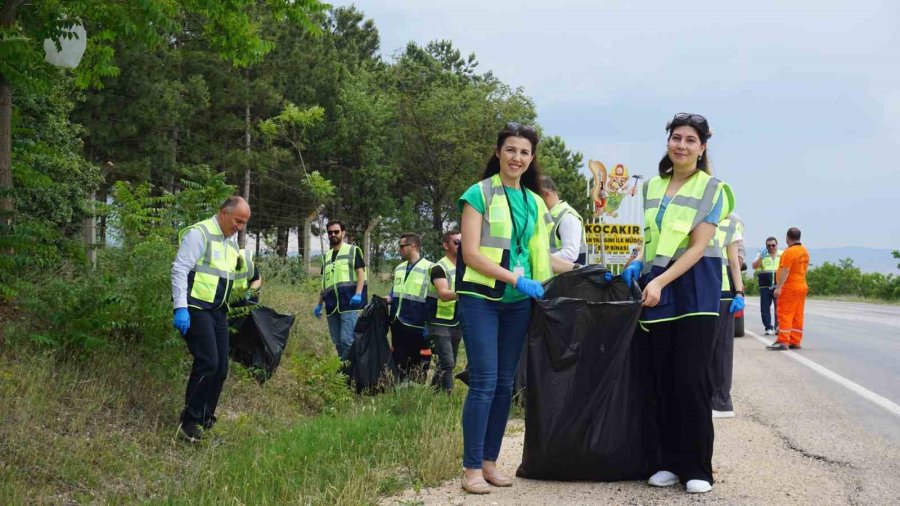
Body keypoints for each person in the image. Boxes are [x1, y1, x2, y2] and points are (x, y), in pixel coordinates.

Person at [623, 113, 733, 494]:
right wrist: (638, 261)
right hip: (657, 287)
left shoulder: (713, 188)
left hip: (695, 290)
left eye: (690, 140)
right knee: (660, 377)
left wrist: (659, 281)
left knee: (690, 380)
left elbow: (699, 245)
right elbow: (649, 236)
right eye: (676, 138)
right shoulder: (652, 186)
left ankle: (697, 467)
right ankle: (667, 462)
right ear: (668, 142)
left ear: (702, 148)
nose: (681, 145)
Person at [456, 122, 553, 494]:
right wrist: (516, 280)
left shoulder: (533, 202)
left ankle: (490, 463)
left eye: (525, 152)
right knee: (482, 383)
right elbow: (471, 254)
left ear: (532, 159)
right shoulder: (478, 194)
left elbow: (540, 257)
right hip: (481, 299)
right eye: (511, 150)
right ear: (498, 153)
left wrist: (589, 272)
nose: (517, 157)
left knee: (503, 386)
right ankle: (470, 470)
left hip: (517, 305)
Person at [171, 196, 251, 443]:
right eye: (238, 220)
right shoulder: (200, 234)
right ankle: (189, 422)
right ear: (224, 213)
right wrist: (180, 307)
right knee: (207, 362)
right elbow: (180, 269)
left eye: (244, 223)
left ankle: (205, 420)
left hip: (218, 311)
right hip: (196, 308)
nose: (240, 227)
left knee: (221, 369)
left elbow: (228, 276)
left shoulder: (230, 242)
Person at [314, 220, 367, 360]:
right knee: (337, 341)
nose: (333, 234)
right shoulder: (326, 257)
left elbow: (361, 273)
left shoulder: (352, 250)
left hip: (349, 303)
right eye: (330, 232)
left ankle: (350, 373)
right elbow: (324, 282)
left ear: (343, 233)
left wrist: (358, 294)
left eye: (336, 232)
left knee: (347, 340)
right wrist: (319, 304)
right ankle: (343, 370)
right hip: (331, 305)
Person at [386, 232, 433, 383]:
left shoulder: (430, 268)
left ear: (413, 246)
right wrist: (383, 300)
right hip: (398, 323)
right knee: (399, 359)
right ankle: (399, 387)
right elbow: (394, 292)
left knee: (417, 361)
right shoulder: (399, 268)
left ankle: (415, 390)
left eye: (401, 246)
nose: (399, 249)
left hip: (417, 325)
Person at [711, 212, 745, 418]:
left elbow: (735, 262)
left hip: (721, 292)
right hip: (704, 291)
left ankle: (722, 402)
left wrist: (739, 292)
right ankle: (712, 399)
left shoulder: (732, 221)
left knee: (721, 349)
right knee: (709, 349)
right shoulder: (697, 214)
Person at [426, 229, 464, 393]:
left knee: (449, 362)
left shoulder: (466, 266)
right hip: (439, 320)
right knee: (447, 362)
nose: (460, 246)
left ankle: (434, 393)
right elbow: (443, 294)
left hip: (457, 320)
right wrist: (466, 294)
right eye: (456, 242)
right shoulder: (438, 268)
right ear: (445, 245)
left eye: (462, 242)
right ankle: (447, 395)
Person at [767, 227, 810, 350]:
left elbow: (785, 270)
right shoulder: (804, 251)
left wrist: (778, 287)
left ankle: (783, 341)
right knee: (797, 314)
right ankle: (795, 340)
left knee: (785, 313)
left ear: (787, 238)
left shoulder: (789, 252)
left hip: (790, 287)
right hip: (801, 285)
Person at [540, 175, 587, 273]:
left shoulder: (567, 217)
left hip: (566, 282)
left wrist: (539, 260)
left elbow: (570, 254)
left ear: (545, 195)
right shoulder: (549, 216)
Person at [752, 236, 782, 335]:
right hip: (764, 285)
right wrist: (761, 257)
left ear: (777, 245)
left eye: (773, 245)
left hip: (778, 285)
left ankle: (778, 327)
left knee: (779, 307)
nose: (771, 247)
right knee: (765, 308)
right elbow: (754, 266)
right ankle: (768, 327)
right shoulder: (762, 254)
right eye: (769, 246)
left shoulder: (782, 254)